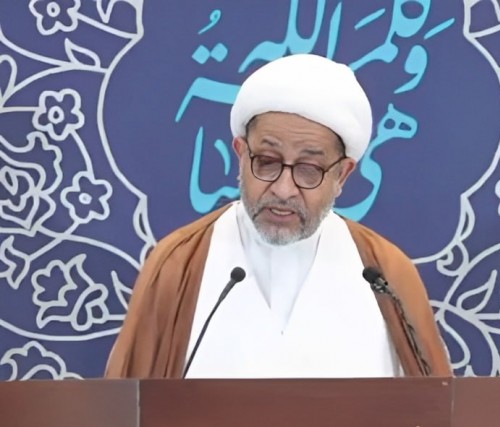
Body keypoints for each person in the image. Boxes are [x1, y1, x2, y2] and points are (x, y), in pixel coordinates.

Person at [105, 54, 452, 379]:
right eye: (267, 162)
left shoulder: (385, 273)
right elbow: (128, 408)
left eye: (309, 169)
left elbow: (432, 409)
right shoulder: (179, 263)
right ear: (241, 154)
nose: (284, 190)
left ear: (342, 175)